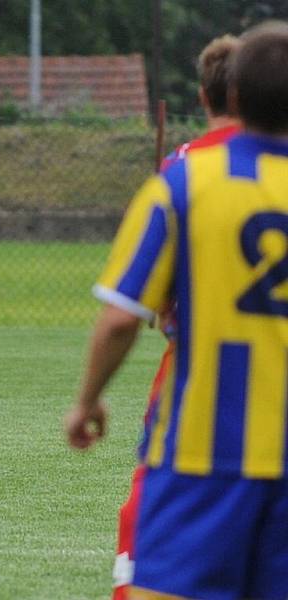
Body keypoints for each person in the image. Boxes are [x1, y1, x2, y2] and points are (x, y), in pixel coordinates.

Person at [65, 20, 288, 599]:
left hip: (202, 447)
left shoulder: (185, 181)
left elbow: (119, 317)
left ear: (231, 97)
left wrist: (87, 402)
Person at [110, 33, 242, 600]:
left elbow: (131, 303)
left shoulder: (184, 168)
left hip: (196, 376)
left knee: (152, 507)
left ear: (203, 96)